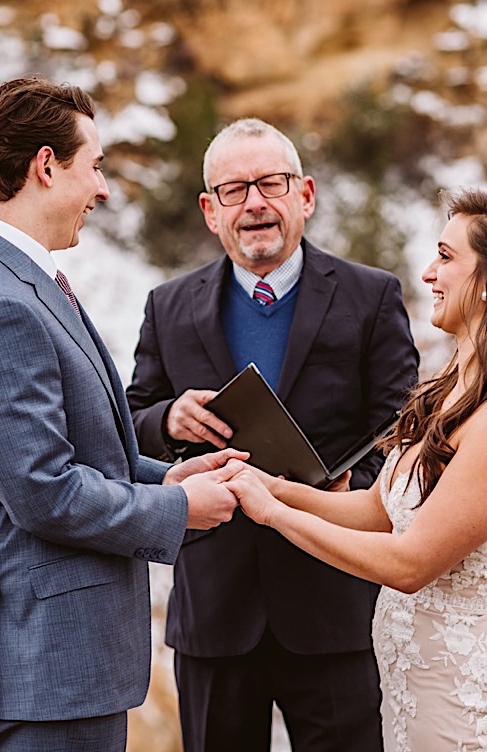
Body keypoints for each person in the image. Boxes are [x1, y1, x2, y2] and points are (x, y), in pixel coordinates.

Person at [0, 76, 246, 752]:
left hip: (54, 662)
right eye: (94, 166)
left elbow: (80, 451)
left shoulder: (6, 280)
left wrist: (167, 481)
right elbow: (42, 492)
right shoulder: (0, 306)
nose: (102, 190)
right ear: (46, 166)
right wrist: (178, 513)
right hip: (48, 667)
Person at [228, 188, 487, 751]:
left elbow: (410, 564)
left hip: (479, 704)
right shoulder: (455, 386)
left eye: (446, 257)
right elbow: (380, 513)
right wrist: (274, 488)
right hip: (420, 691)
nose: (430, 273)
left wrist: (271, 516)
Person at [125, 117, 419, 752]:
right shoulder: (167, 307)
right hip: (214, 610)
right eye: (234, 190)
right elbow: (131, 424)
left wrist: (349, 491)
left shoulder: (371, 298)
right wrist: (169, 419)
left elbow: (402, 429)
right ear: (210, 210)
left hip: (335, 601)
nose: (255, 203)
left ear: (305, 195)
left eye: (271, 184)